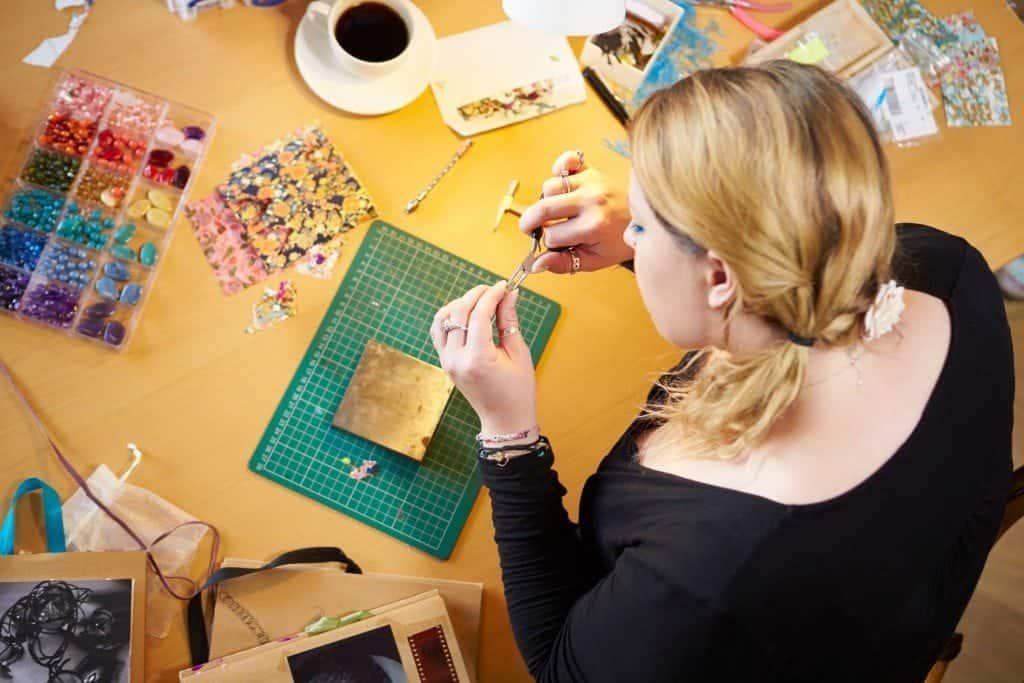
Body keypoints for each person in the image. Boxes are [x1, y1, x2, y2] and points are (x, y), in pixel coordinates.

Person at [429, 61, 1014, 682]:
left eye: (640, 222)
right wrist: (652, 240)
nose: (625, 226)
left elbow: (557, 667)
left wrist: (507, 432)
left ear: (718, 276)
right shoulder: (944, 269)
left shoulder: (710, 570)